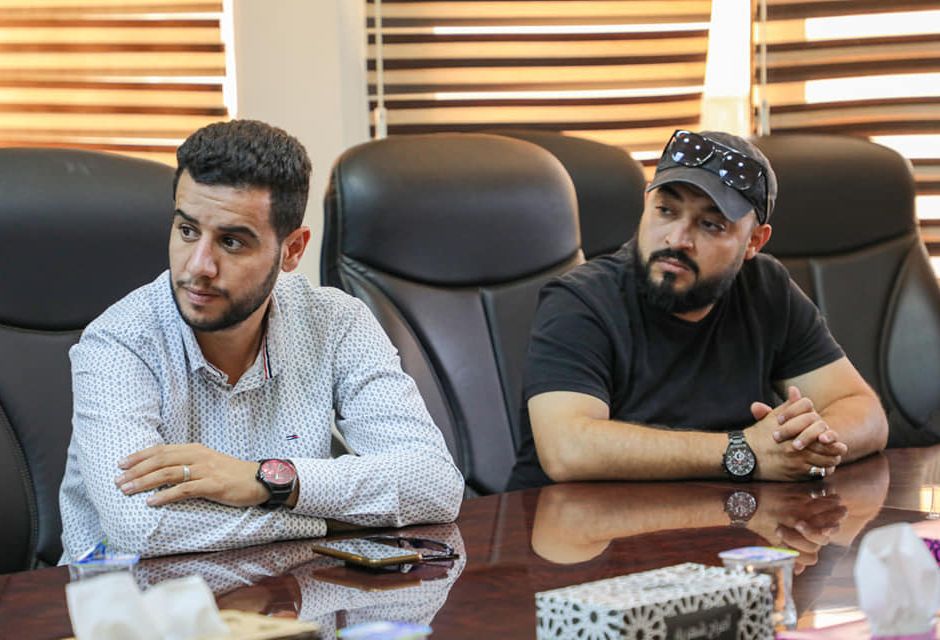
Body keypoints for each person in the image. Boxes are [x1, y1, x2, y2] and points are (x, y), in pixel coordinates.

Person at [59, 119, 464, 561]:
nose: (198, 266)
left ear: (292, 250)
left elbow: (436, 484)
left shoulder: (336, 322)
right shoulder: (118, 343)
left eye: (231, 242)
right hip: (133, 597)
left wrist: (266, 480)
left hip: (284, 589)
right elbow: (142, 528)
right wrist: (328, 521)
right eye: (187, 231)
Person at [509, 129, 888, 489]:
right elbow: (568, 449)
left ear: (754, 242)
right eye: (666, 210)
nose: (677, 239)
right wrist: (745, 452)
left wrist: (806, 444)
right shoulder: (580, 301)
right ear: (646, 203)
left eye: (710, 225)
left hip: (721, 520)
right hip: (573, 528)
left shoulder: (766, 288)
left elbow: (864, 412)